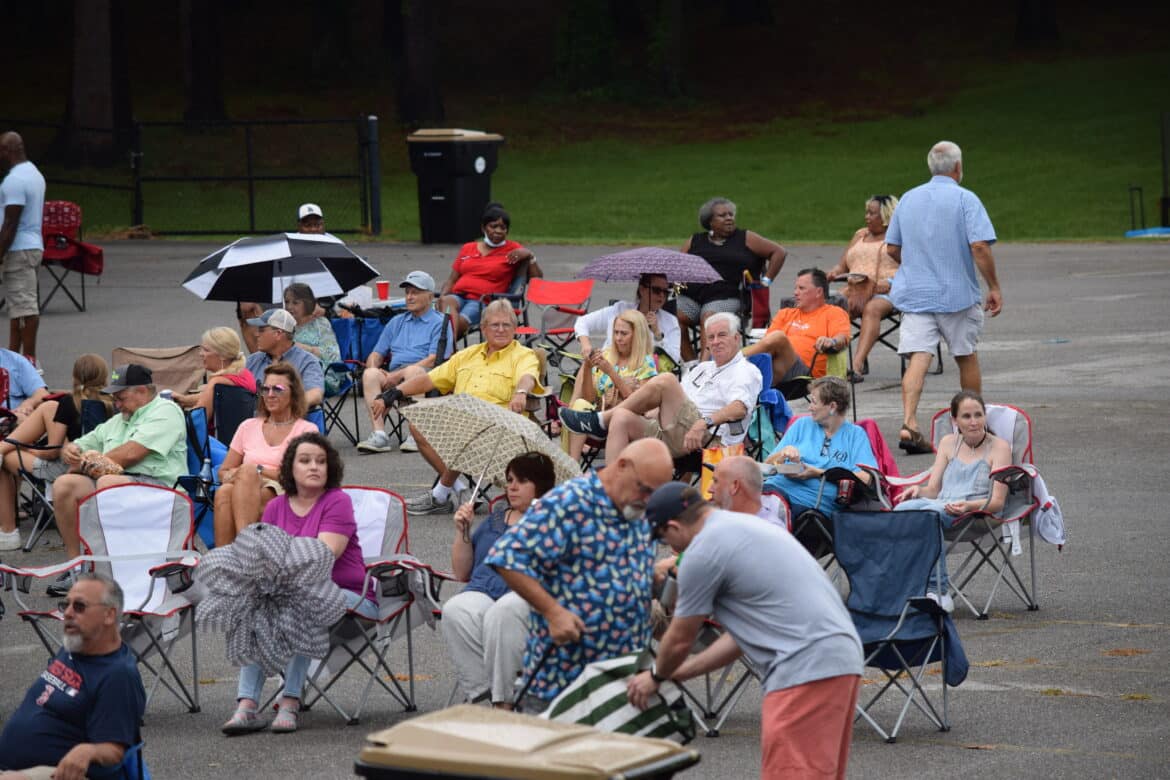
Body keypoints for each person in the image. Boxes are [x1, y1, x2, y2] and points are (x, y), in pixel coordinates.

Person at [628, 483, 862, 780]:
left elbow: (680, 637)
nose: (669, 546)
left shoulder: (703, 550)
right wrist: (679, 673)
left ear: (673, 527)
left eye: (663, 538)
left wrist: (655, 676)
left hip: (803, 667)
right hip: (839, 658)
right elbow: (739, 640)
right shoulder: (743, 527)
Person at [485, 438, 674, 709]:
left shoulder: (639, 508)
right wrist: (554, 612)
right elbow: (506, 557)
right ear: (621, 466)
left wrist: (648, 577)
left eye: (654, 494)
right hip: (564, 679)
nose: (647, 499)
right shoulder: (570, 501)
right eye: (644, 489)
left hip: (624, 676)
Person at [221, 432, 377, 736]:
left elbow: (323, 555)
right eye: (305, 461)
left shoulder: (338, 502)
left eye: (321, 461)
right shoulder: (275, 507)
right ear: (290, 468)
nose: (314, 466)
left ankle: (290, 700)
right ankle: (247, 705)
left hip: (352, 601)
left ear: (330, 468)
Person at [885, 141, 1003, 455]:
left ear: (930, 166)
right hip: (956, 293)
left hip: (916, 293)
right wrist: (994, 286)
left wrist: (916, 265)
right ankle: (972, 423)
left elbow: (892, 248)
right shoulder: (965, 199)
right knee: (965, 355)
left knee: (919, 357)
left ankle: (909, 422)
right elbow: (979, 246)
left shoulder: (908, 199)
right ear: (958, 167)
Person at [377, 299, 544, 515]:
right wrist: (394, 393)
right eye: (495, 325)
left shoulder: (523, 355)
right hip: (463, 422)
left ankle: (440, 494)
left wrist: (521, 392)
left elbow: (527, 377)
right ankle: (460, 489)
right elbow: (430, 379)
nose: (501, 330)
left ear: (515, 328)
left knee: (466, 430)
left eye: (506, 325)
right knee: (419, 425)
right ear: (483, 328)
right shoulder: (467, 355)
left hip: (502, 427)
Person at [47, 364, 187, 597]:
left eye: (121, 398)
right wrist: (71, 450)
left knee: (107, 483)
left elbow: (131, 454)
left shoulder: (165, 411)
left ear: (142, 391)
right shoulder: (120, 418)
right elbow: (85, 443)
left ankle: (106, 569)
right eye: (114, 398)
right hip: (120, 481)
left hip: (162, 490)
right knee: (65, 485)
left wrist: (87, 462)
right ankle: (78, 568)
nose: (117, 404)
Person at [559, 313, 761, 464]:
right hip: (672, 430)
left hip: (708, 438)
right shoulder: (702, 368)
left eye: (722, 335)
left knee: (667, 379)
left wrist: (703, 423)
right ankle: (613, 492)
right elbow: (674, 403)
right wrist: (650, 411)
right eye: (711, 337)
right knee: (621, 417)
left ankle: (601, 420)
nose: (715, 342)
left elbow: (739, 408)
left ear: (737, 338)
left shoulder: (745, 370)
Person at [0, 573, 146, 779]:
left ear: (109, 615)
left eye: (79, 606)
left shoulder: (118, 675)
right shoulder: (74, 646)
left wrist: (88, 751)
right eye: (65, 605)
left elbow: (115, 750)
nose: (67, 613)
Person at [441, 452, 556, 709]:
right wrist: (462, 532)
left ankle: (504, 702)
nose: (512, 487)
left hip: (524, 595)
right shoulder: (495, 518)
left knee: (501, 613)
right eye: (509, 480)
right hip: (483, 590)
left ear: (540, 485)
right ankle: (486, 688)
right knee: (455, 609)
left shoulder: (551, 520)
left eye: (521, 481)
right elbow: (461, 572)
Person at [895, 390, 1012, 608]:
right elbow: (933, 490)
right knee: (900, 511)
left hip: (977, 513)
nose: (974, 422)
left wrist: (968, 506)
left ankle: (938, 591)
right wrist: (918, 490)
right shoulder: (948, 443)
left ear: (985, 416)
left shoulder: (999, 447)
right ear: (955, 420)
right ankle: (908, 586)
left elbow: (998, 502)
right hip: (942, 505)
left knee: (926, 517)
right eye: (966, 416)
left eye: (978, 415)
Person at [0, 354, 113, 551]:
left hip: (65, 469)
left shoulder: (69, 402)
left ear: (74, 377)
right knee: (48, 407)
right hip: (100, 466)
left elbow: (52, 452)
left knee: (6, 458)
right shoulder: (113, 404)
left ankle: (8, 533)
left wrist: (25, 447)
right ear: (104, 377)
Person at [213, 363, 317, 547]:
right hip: (243, 486)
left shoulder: (306, 430)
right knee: (224, 491)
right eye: (265, 389)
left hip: (284, 489)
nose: (270, 394)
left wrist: (257, 470)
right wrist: (237, 475)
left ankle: (241, 550)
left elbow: (301, 478)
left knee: (247, 474)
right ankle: (234, 554)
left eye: (277, 389)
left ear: (293, 394)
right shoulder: (247, 426)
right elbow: (223, 471)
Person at [677, 197, 787, 361]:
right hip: (694, 297)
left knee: (710, 317)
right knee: (672, 315)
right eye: (722, 215)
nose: (729, 218)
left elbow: (779, 252)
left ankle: (704, 367)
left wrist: (766, 281)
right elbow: (677, 267)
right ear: (710, 221)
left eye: (731, 214)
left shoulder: (745, 238)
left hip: (729, 296)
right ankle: (690, 364)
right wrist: (677, 288)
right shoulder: (695, 241)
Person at [356, 270, 453, 454]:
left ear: (430, 296)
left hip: (424, 374)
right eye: (407, 292)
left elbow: (434, 359)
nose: (409, 297)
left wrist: (396, 375)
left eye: (415, 292)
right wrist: (375, 367)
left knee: (413, 372)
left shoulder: (440, 322)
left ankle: (415, 435)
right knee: (370, 374)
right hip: (394, 373)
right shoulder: (396, 321)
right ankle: (379, 434)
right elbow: (376, 353)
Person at [763, 376, 875, 518]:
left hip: (810, 504)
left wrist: (817, 473)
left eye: (814, 402)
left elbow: (867, 479)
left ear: (832, 407)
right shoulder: (801, 425)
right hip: (775, 490)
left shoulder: (855, 435)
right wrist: (782, 454)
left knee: (765, 512)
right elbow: (767, 466)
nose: (809, 407)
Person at [438, 202, 542, 340]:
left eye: (503, 228)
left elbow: (537, 279)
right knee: (446, 303)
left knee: (455, 323)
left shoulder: (513, 249)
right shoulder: (468, 248)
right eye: (493, 226)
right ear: (483, 228)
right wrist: (441, 296)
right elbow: (452, 279)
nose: (498, 231)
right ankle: (445, 348)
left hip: (483, 301)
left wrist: (530, 255)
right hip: (458, 296)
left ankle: (444, 349)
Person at [825, 195, 901, 382]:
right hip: (855, 289)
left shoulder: (899, 237)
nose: (867, 217)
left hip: (886, 290)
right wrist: (834, 273)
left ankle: (857, 365)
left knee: (872, 308)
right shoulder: (860, 235)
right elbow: (842, 265)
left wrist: (891, 282)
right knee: (833, 308)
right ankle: (827, 363)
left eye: (872, 213)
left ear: (886, 216)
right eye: (867, 212)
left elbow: (913, 267)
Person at [564, 309, 657, 460]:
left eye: (624, 334)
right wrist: (587, 367)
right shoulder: (606, 354)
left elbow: (640, 405)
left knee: (579, 414)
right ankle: (572, 465)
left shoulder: (646, 364)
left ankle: (571, 464)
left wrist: (611, 373)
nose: (618, 338)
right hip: (597, 417)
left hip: (622, 422)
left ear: (637, 335)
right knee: (580, 405)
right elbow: (589, 399)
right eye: (616, 332)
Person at [237, 203, 329, 353]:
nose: (313, 229)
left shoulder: (333, 247)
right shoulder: (289, 247)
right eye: (308, 225)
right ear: (299, 226)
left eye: (317, 225)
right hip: (289, 297)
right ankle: (260, 360)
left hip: (317, 302)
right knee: (246, 308)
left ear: (323, 225)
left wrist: (324, 306)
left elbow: (344, 289)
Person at [742, 268, 851, 393]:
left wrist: (831, 341)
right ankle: (740, 372)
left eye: (801, 288)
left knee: (779, 338)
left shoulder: (834, 313)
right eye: (795, 288)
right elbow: (766, 345)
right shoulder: (785, 313)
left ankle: (734, 362)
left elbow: (842, 338)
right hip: (776, 365)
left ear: (818, 292)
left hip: (806, 373)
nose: (795, 293)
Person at [0, 131, 46, 365]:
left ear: (8, 150)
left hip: (18, 249)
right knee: (17, 309)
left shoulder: (15, 181)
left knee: (25, 309)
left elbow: (10, 223)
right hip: (33, 246)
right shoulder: (34, 173)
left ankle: (29, 363)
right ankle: (12, 360)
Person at [573, 273, 682, 366]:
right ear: (642, 290)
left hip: (644, 374)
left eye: (666, 292)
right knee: (585, 369)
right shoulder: (620, 309)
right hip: (609, 367)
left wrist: (657, 334)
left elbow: (674, 359)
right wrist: (586, 345)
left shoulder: (670, 321)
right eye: (657, 290)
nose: (662, 296)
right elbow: (582, 322)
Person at [173, 327, 256, 427]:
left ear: (223, 355)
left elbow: (196, 423)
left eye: (206, 350)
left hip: (217, 436)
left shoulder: (217, 383)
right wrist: (183, 399)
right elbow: (210, 397)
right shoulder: (245, 374)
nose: (201, 354)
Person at [244, 308, 325, 409]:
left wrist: (284, 408)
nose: (256, 334)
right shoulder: (252, 360)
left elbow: (315, 394)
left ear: (278, 333)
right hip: (253, 417)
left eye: (262, 330)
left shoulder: (307, 362)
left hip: (290, 417)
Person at [283, 282, 341, 393]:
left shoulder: (320, 324)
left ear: (307, 303)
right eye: (287, 302)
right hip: (289, 374)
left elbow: (333, 355)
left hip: (321, 374)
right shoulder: (285, 326)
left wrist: (305, 349)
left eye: (295, 303)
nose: (289, 307)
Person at [708, 454, 786, 528]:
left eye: (715, 481)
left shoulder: (767, 532)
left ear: (734, 486)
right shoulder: (716, 518)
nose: (709, 489)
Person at [0, 348, 49, 419]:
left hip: (12, 419)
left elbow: (42, 394)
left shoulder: (15, 360)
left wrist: (28, 403)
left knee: (51, 407)